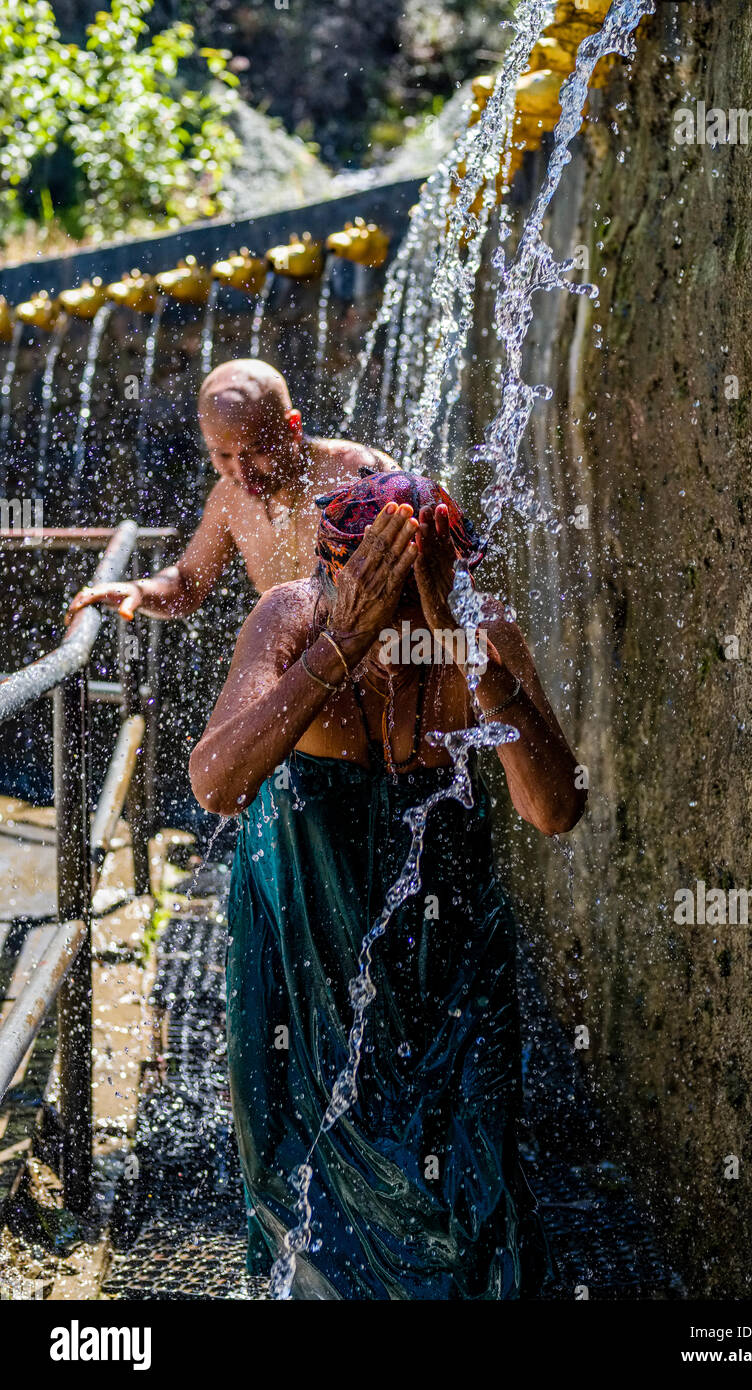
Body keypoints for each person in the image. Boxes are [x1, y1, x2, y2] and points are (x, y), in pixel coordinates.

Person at [190, 471, 586, 1299]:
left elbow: (554, 810)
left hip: (446, 954)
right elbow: (218, 783)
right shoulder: (293, 619)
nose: (395, 653)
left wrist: (467, 650)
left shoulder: (477, 635)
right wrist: (336, 651)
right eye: (383, 619)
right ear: (339, 579)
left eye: (413, 624)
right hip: (302, 941)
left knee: (476, 1169)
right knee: (300, 1158)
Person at [65, 359, 397, 624]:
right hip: (300, 672)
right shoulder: (228, 498)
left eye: (256, 450)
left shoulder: (358, 475)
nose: (242, 471)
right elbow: (186, 584)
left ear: (293, 427)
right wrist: (139, 591)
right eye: (223, 455)